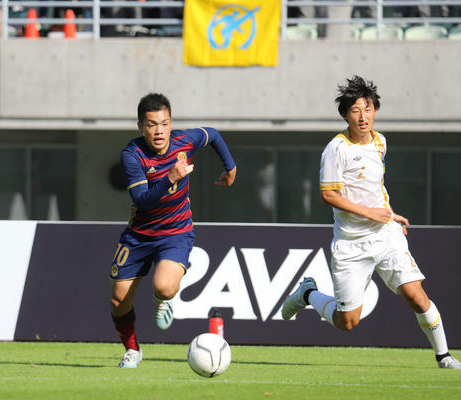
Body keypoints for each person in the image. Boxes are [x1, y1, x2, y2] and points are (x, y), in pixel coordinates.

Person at [281, 75, 461, 370]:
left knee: (416, 296)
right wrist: (370, 213)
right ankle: (308, 294)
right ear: (345, 115)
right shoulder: (336, 149)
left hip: (386, 235)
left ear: (375, 110)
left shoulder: (380, 141)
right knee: (347, 322)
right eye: (355, 110)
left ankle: (444, 357)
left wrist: (389, 213)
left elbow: (375, 187)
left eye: (367, 109)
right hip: (351, 244)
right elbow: (328, 195)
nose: (363, 116)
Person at [110, 93, 237, 368]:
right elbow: (142, 200)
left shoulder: (185, 141)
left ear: (171, 123)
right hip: (139, 234)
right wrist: (171, 178)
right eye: (152, 124)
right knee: (118, 301)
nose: (159, 131)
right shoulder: (132, 155)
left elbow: (213, 135)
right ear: (140, 126)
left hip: (175, 231)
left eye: (164, 124)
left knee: (164, 287)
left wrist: (230, 168)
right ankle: (132, 350)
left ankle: (161, 300)